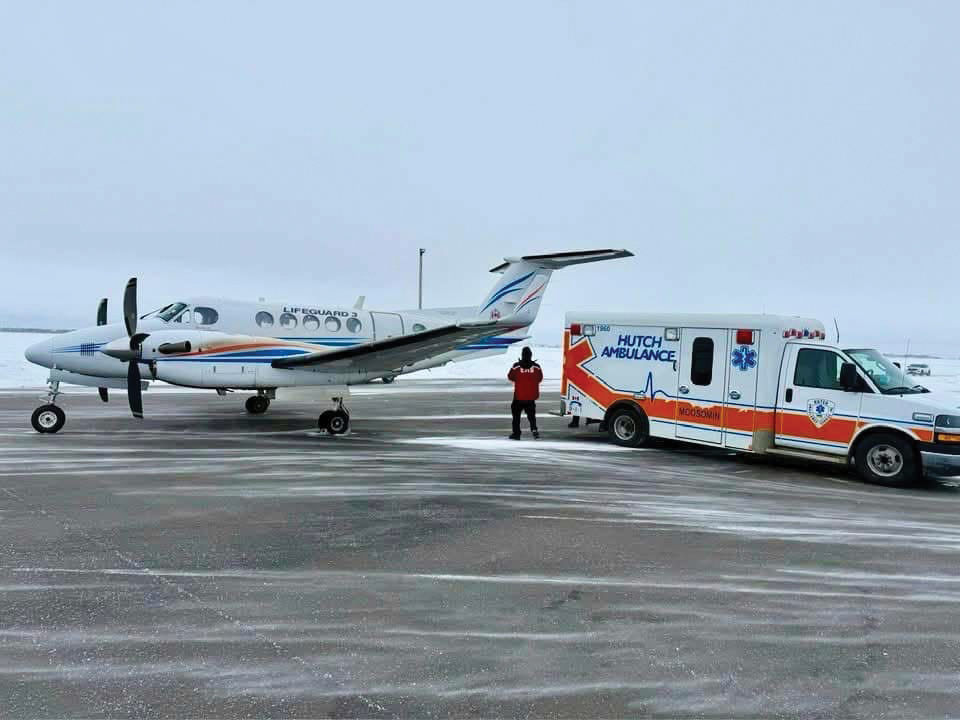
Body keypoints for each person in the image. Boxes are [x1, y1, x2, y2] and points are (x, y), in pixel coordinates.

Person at [507, 346, 543, 439]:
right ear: (531, 355)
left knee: (516, 416)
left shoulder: (516, 366)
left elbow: (510, 376)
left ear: (522, 355)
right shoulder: (536, 367)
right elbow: (540, 378)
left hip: (519, 396)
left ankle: (516, 433)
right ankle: (534, 429)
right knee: (531, 415)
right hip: (531, 396)